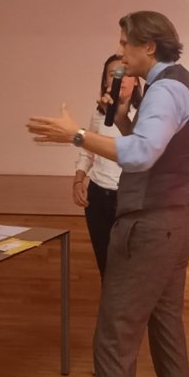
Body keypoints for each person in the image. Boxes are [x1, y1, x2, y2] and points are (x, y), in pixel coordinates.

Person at [27, 11, 189, 377]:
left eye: (126, 44)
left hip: (148, 229)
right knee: (167, 340)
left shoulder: (166, 90)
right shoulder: (179, 85)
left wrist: (76, 136)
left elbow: (141, 156)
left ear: (149, 47)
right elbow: (145, 145)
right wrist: (124, 114)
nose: (121, 52)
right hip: (173, 224)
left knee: (113, 346)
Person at [72, 54, 141, 279]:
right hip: (99, 196)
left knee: (131, 269)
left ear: (136, 80)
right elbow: (87, 150)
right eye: (113, 75)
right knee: (106, 266)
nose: (119, 79)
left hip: (130, 199)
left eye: (125, 74)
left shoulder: (144, 114)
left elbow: (142, 153)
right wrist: (78, 179)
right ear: (105, 81)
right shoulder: (98, 114)